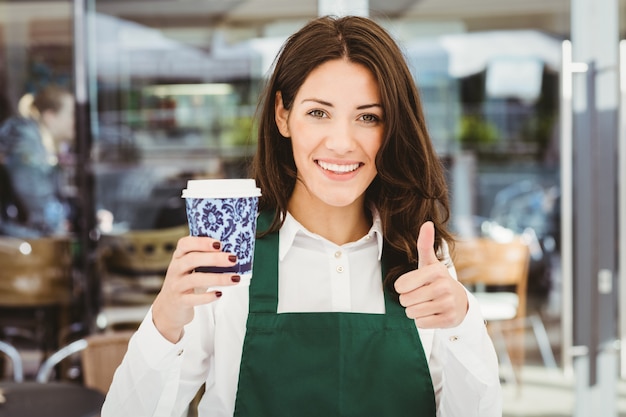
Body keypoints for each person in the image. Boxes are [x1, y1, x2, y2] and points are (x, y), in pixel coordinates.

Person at [102, 15, 501, 416]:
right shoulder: (227, 264)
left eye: (368, 117)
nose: (342, 143)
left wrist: (463, 322)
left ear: (391, 128)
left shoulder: (420, 260)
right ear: (282, 114)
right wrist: (166, 319)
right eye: (318, 113)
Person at [0, 84, 75, 237]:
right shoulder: (25, 143)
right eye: (72, 114)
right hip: (18, 242)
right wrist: (59, 225)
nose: (76, 121)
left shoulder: (43, 145)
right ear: (50, 116)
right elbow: (37, 199)